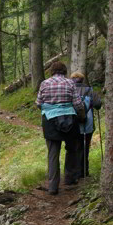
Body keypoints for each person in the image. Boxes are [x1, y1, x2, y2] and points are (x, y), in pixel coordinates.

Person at [36, 61, 85, 195]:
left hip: (50, 121)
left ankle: (53, 186)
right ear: (64, 71)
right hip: (70, 120)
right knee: (71, 150)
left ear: (52, 71)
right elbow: (78, 104)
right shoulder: (70, 83)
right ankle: (69, 179)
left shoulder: (44, 83)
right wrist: (81, 115)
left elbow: (39, 103)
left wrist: (50, 109)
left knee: (53, 154)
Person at [70, 71, 102, 178]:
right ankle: (84, 171)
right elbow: (98, 105)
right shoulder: (90, 90)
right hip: (88, 124)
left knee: (74, 147)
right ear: (82, 80)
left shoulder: (69, 90)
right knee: (85, 147)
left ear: (72, 80)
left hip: (72, 124)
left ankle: (74, 172)